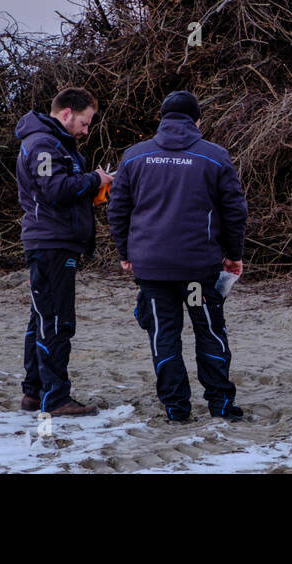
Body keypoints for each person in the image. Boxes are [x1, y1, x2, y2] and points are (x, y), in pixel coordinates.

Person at [107, 91, 248, 423]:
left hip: (153, 270)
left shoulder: (134, 157)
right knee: (209, 331)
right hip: (198, 269)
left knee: (164, 335)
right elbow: (234, 212)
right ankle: (222, 405)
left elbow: (118, 210)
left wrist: (125, 253)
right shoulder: (214, 157)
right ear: (197, 120)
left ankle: (176, 407)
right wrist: (234, 254)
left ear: (162, 118)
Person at [15, 87, 114, 415]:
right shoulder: (44, 143)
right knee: (57, 320)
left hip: (53, 240)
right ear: (67, 113)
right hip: (51, 243)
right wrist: (95, 179)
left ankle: (34, 391)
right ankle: (56, 398)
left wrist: (91, 188)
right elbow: (54, 189)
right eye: (85, 123)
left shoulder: (52, 142)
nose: (87, 131)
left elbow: (58, 189)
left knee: (41, 317)